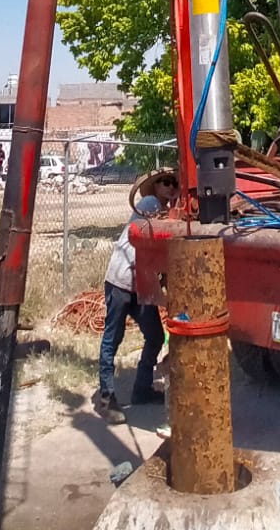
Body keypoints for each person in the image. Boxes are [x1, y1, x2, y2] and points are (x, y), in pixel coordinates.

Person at [95, 172, 178, 423]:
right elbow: (156, 232)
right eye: (166, 182)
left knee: (154, 336)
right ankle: (107, 399)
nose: (171, 186)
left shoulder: (167, 210)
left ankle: (141, 390)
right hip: (120, 281)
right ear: (155, 187)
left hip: (140, 285)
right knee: (113, 338)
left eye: (174, 183)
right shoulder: (149, 205)